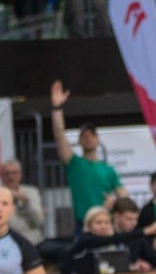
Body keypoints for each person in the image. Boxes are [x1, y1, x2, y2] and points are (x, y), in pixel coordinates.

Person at [50, 81, 127, 227]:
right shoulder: (74, 163)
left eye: (92, 135)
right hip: (83, 223)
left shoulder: (108, 170)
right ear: (79, 141)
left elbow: (124, 197)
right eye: (84, 136)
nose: (88, 138)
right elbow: (59, 135)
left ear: (98, 140)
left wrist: (115, 203)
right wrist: (57, 108)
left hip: (105, 223)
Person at [0, 159, 44, 246]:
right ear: (1, 176)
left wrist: (26, 203)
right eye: (7, 174)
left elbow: (37, 222)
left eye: (14, 173)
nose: (11, 177)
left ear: (21, 175)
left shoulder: (32, 192)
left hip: (33, 242)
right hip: (7, 244)